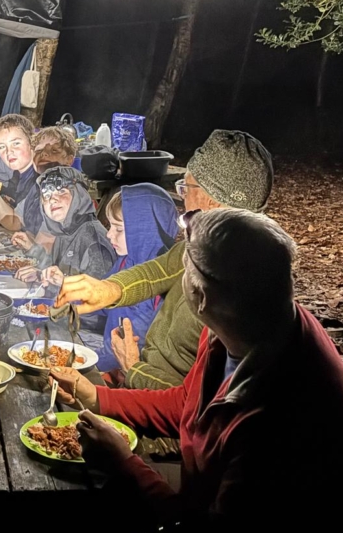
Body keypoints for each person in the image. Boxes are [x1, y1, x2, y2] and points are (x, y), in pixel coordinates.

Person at [49, 209, 343, 533]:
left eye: (184, 268)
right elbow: (187, 404)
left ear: (200, 296)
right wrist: (98, 397)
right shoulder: (239, 325)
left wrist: (124, 463)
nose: (177, 275)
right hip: (208, 505)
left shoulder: (278, 415)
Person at [56, 130, 274, 394]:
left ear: (211, 200)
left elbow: (200, 402)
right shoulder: (207, 245)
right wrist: (109, 290)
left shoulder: (235, 292)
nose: (183, 199)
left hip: (164, 424)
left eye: (186, 188)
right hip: (139, 387)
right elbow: (158, 269)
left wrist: (133, 368)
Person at [98, 184, 179, 376]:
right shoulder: (127, 262)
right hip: (111, 357)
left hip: (135, 374)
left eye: (118, 229)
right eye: (110, 227)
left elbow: (136, 339)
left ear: (145, 230)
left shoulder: (160, 283)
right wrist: (65, 294)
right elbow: (102, 299)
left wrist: (88, 363)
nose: (109, 234)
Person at [11, 166, 115, 291]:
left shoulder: (94, 242)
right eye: (46, 195)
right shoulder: (65, 230)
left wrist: (65, 282)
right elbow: (59, 269)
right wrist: (39, 272)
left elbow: (99, 297)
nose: (53, 199)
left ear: (79, 195)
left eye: (61, 192)